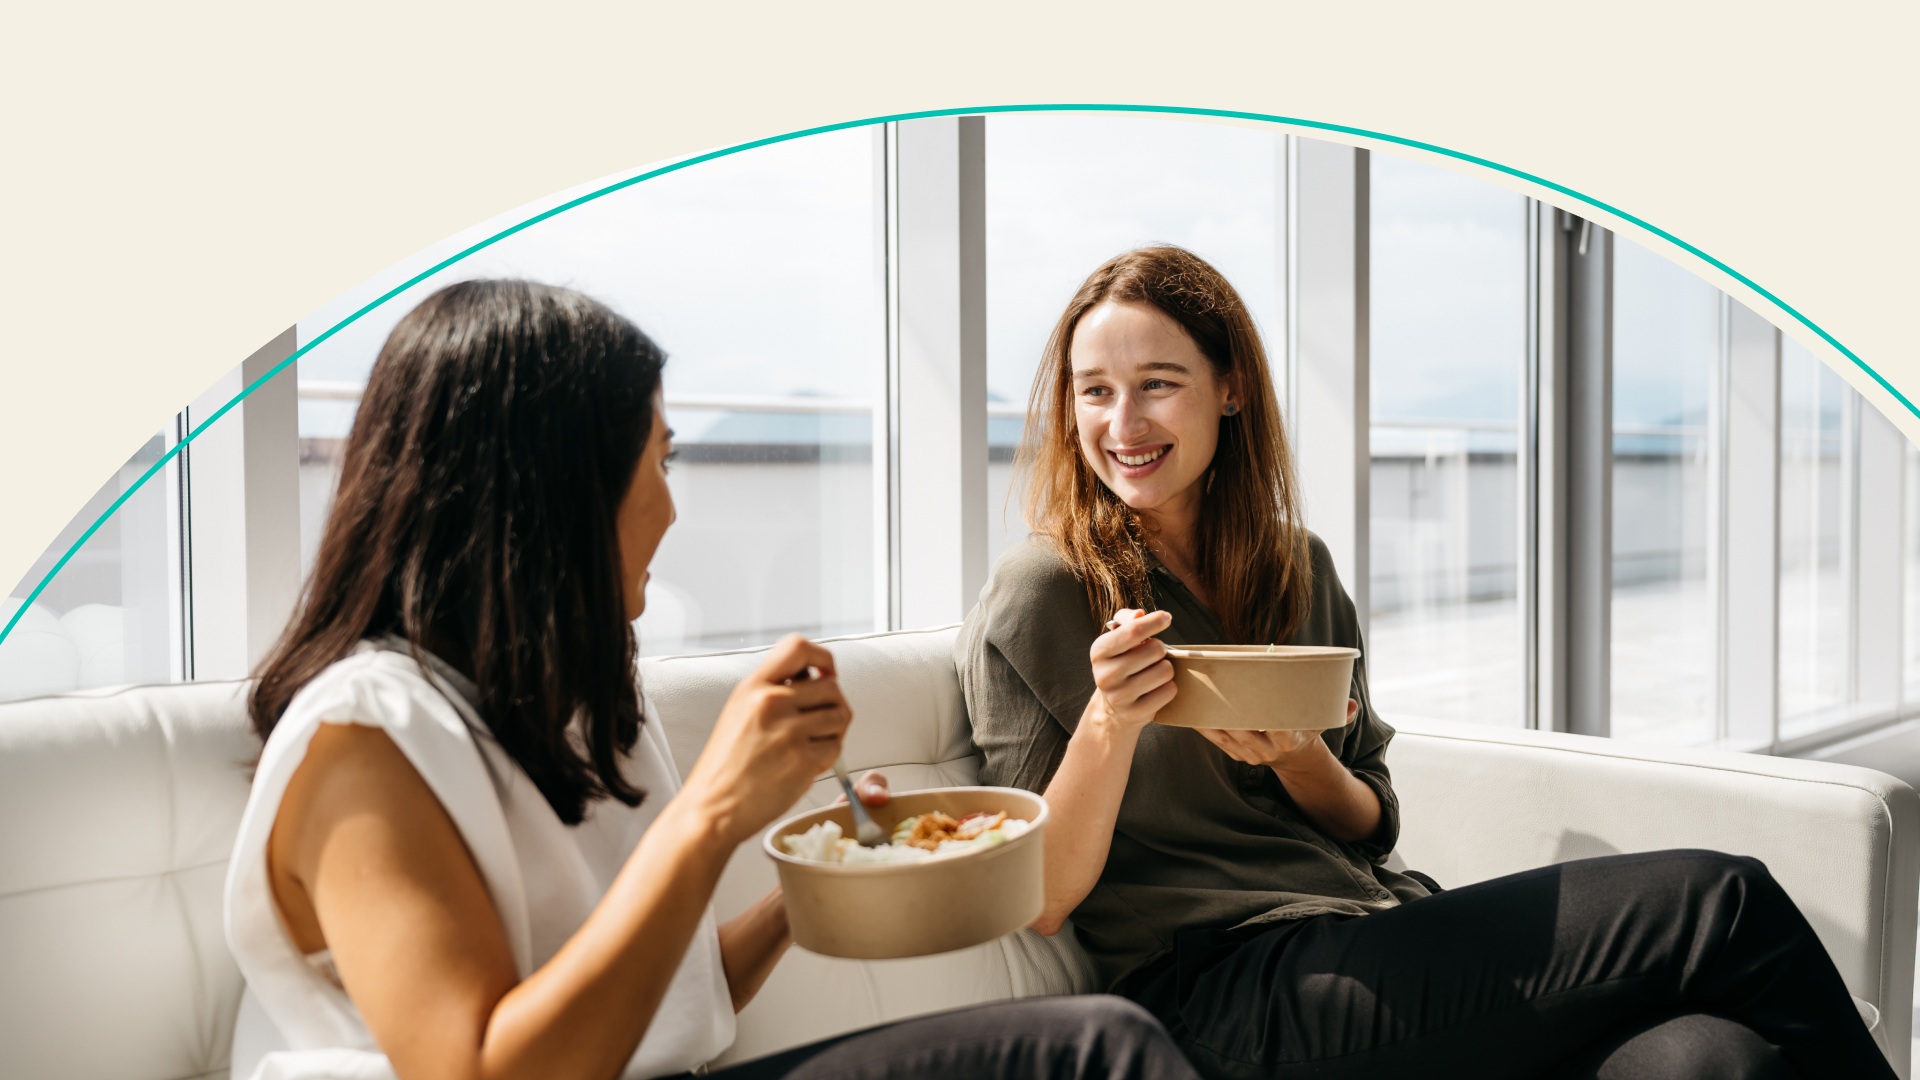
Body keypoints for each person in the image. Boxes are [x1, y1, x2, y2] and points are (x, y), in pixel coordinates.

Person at [226, 279, 1202, 1080]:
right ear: (553, 491)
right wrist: (712, 816)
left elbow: (662, 1007)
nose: (673, 506)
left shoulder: (570, 708)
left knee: (1096, 1046)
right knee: (1098, 1056)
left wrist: (833, 880)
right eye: (660, 458)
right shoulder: (364, 741)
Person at [956, 246, 1892, 1080]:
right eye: (1093, 390)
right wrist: (1112, 721)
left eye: (1158, 382)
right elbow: (1038, 898)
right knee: (1722, 898)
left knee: (1712, 1059)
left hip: (1375, 933)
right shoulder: (1045, 590)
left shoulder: (1293, 568)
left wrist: (1297, 757)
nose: (1123, 420)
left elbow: (1368, 818)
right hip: (1225, 993)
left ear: (1229, 387)